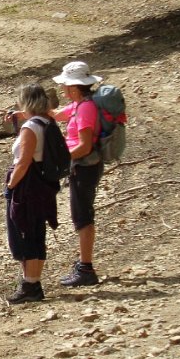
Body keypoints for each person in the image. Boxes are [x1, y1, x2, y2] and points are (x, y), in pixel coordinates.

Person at [4, 84, 58, 304]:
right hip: (43, 183)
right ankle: (32, 282)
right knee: (36, 231)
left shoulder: (31, 127)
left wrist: (11, 185)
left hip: (27, 185)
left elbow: (24, 161)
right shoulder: (47, 122)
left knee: (24, 232)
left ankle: (30, 285)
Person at [51, 61, 104, 287]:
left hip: (85, 167)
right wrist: (23, 113)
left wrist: (60, 160)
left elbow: (84, 146)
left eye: (64, 85)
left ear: (73, 87)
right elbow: (56, 114)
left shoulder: (85, 109)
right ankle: (84, 265)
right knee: (81, 214)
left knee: (82, 216)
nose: (62, 88)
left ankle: (86, 269)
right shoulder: (78, 105)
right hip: (81, 166)